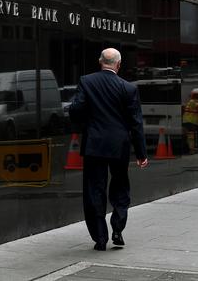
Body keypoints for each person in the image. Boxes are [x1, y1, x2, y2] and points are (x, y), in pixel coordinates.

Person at [69, 48, 148, 251]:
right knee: (120, 186)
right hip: (119, 145)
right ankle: (117, 229)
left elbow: (76, 109)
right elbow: (136, 123)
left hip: (94, 144)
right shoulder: (128, 88)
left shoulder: (86, 81)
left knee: (94, 189)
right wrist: (141, 153)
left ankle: (100, 238)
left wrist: (85, 125)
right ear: (118, 65)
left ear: (100, 61)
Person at [182, 87, 198, 152]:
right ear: (197, 95)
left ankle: (197, 146)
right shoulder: (192, 101)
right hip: (189, 121)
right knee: (191, 134)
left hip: (194, 121)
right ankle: (191, 149)